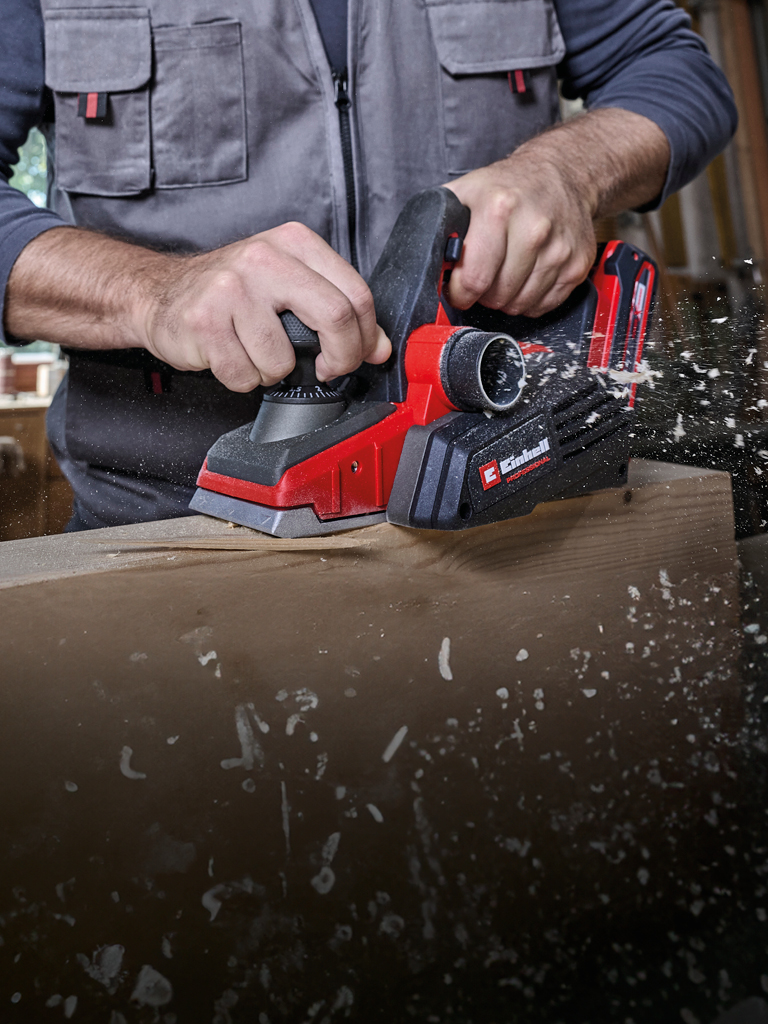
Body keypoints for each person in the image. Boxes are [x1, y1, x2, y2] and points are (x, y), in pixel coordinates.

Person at [0, 0, 736, 530]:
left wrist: (569, 170)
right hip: (171, 518)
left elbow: (674, 71)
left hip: (524, 502)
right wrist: (149, 292)